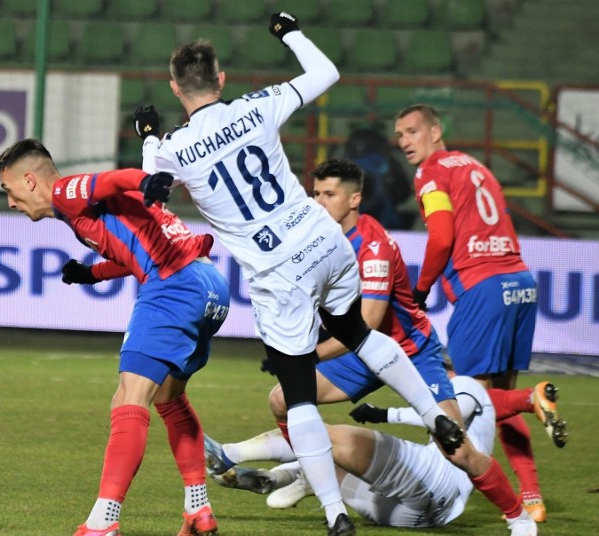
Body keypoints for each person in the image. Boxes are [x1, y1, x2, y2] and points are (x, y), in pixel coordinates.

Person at [134, 12, 465, 536]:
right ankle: (433, 414)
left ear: (177, 88)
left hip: (279, 273)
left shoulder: (174, 147)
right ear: (221, 79)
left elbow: (151, 185)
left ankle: (335, 514)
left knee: (298, 396)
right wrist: (290, 32)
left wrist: (150, 137)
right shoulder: (257, 105)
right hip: (324, 243)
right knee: (357, 331)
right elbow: (326, 72)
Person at [203, 159, 538, 535]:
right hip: (360, 356)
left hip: (408, 352)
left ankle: (518, 518)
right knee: (282, 399)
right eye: (315, 193)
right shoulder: (319, 238)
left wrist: (307, 355)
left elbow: (369, 324)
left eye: (329, 194)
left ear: (354, 199)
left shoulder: (373, 246)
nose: (319, 201)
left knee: (456, 447)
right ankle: (316, 470)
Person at [0, 139, 230, 536]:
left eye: (9, 191)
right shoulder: (81, 215)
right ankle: (198, 509)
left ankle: (104, 521)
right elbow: (133, 252)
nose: (11, 203)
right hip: (210, 286)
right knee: (169, 398)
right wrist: (92, 274)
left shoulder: (66, 193)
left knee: (127, 399)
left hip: (174, 285)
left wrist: (145, 179)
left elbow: (111, 181)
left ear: (30, 180)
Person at [394, 104, 565, 522]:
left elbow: (441, 238)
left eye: (412, 131)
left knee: (475, 397)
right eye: (399, 135)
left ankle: (531, 400)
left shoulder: (431, 172)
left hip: (482, 288)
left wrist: (419, 289)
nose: (404, 142)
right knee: (495, 401)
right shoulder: (476, 166)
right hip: (520, 284)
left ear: (436, 132)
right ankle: (532, 497)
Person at [206, 364, 497, 529]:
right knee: (327, 459)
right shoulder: (484, 404)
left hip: (435, 479)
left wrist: (384, 414)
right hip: (422, 518)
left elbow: (446, 419)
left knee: (314, 432)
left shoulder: (465, 383)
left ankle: (232, 452)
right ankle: (279, 478)